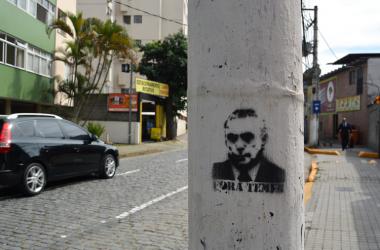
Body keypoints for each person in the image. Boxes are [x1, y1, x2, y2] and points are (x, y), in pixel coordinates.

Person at [212, 109, 285, 183]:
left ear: (263, 139)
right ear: (226, 142)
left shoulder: (278, 175)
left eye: (247, 137)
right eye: (232, 138)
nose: (239, 146)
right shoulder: (215, 172)